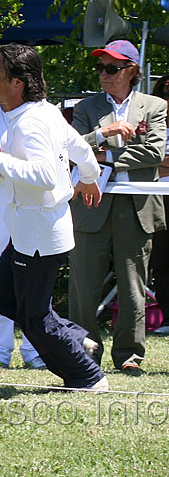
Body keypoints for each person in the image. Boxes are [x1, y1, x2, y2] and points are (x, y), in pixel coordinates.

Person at [0, 43, 108, 391]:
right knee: (1, 293)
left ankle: (87, 377)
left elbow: (47, 176)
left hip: (40, 234)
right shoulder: (44, 112)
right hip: (28, 230)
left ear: (18, 82)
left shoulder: (31, 123)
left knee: (34, 319)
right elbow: (80, 148)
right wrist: (89, 179)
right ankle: (78, 339)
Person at [68, 40, 167, 373]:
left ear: (131, 71)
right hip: (90, 204)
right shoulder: (85, 108)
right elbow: (70, 148)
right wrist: (101, 134)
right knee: (83, 287)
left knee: (133, 287)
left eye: (112, 68)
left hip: (137, 207)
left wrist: (103, 155)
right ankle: (83, 352)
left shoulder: (155, 106)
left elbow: (154, 153)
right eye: (101, 68)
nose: (104, 75)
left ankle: (128, 356)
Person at [0, 91, 45, 370]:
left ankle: (38, 348)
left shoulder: (42, 115)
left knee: (36, 280)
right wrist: (14, 162)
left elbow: (45, 167)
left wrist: (2, 159)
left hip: (34, 207)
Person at [151, 75, 169, 334]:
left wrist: (156, 161)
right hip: (156, 196)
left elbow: (151, 160)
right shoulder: (153, 125)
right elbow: (145, 157)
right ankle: (167, 315)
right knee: (162, 261)